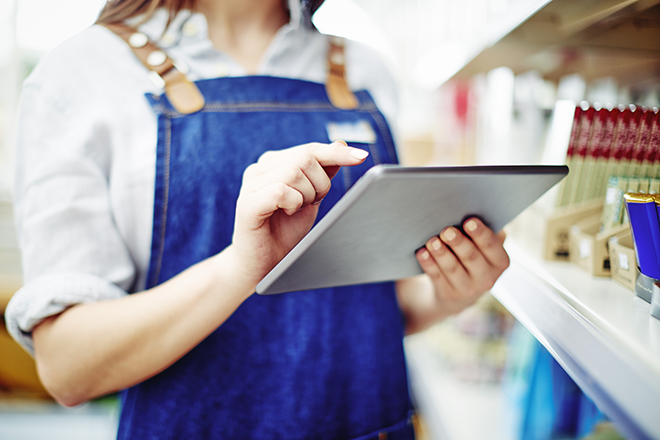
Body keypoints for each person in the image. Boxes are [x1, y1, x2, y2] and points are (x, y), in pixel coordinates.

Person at [5, 0, 510, 438]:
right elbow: (68, 367)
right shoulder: (81, 73)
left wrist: (449, 292)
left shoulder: (366, 70)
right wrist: (242, 267)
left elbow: (374, 304)